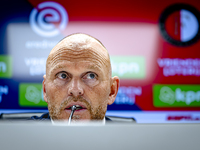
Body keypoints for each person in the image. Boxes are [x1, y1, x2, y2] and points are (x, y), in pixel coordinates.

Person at [31, 33, 120, 123]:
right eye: (62, 76)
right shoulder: (18, 136)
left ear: (112, 91)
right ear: (45, 90)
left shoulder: (131, 137)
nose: (75, 90)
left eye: (91, 76)